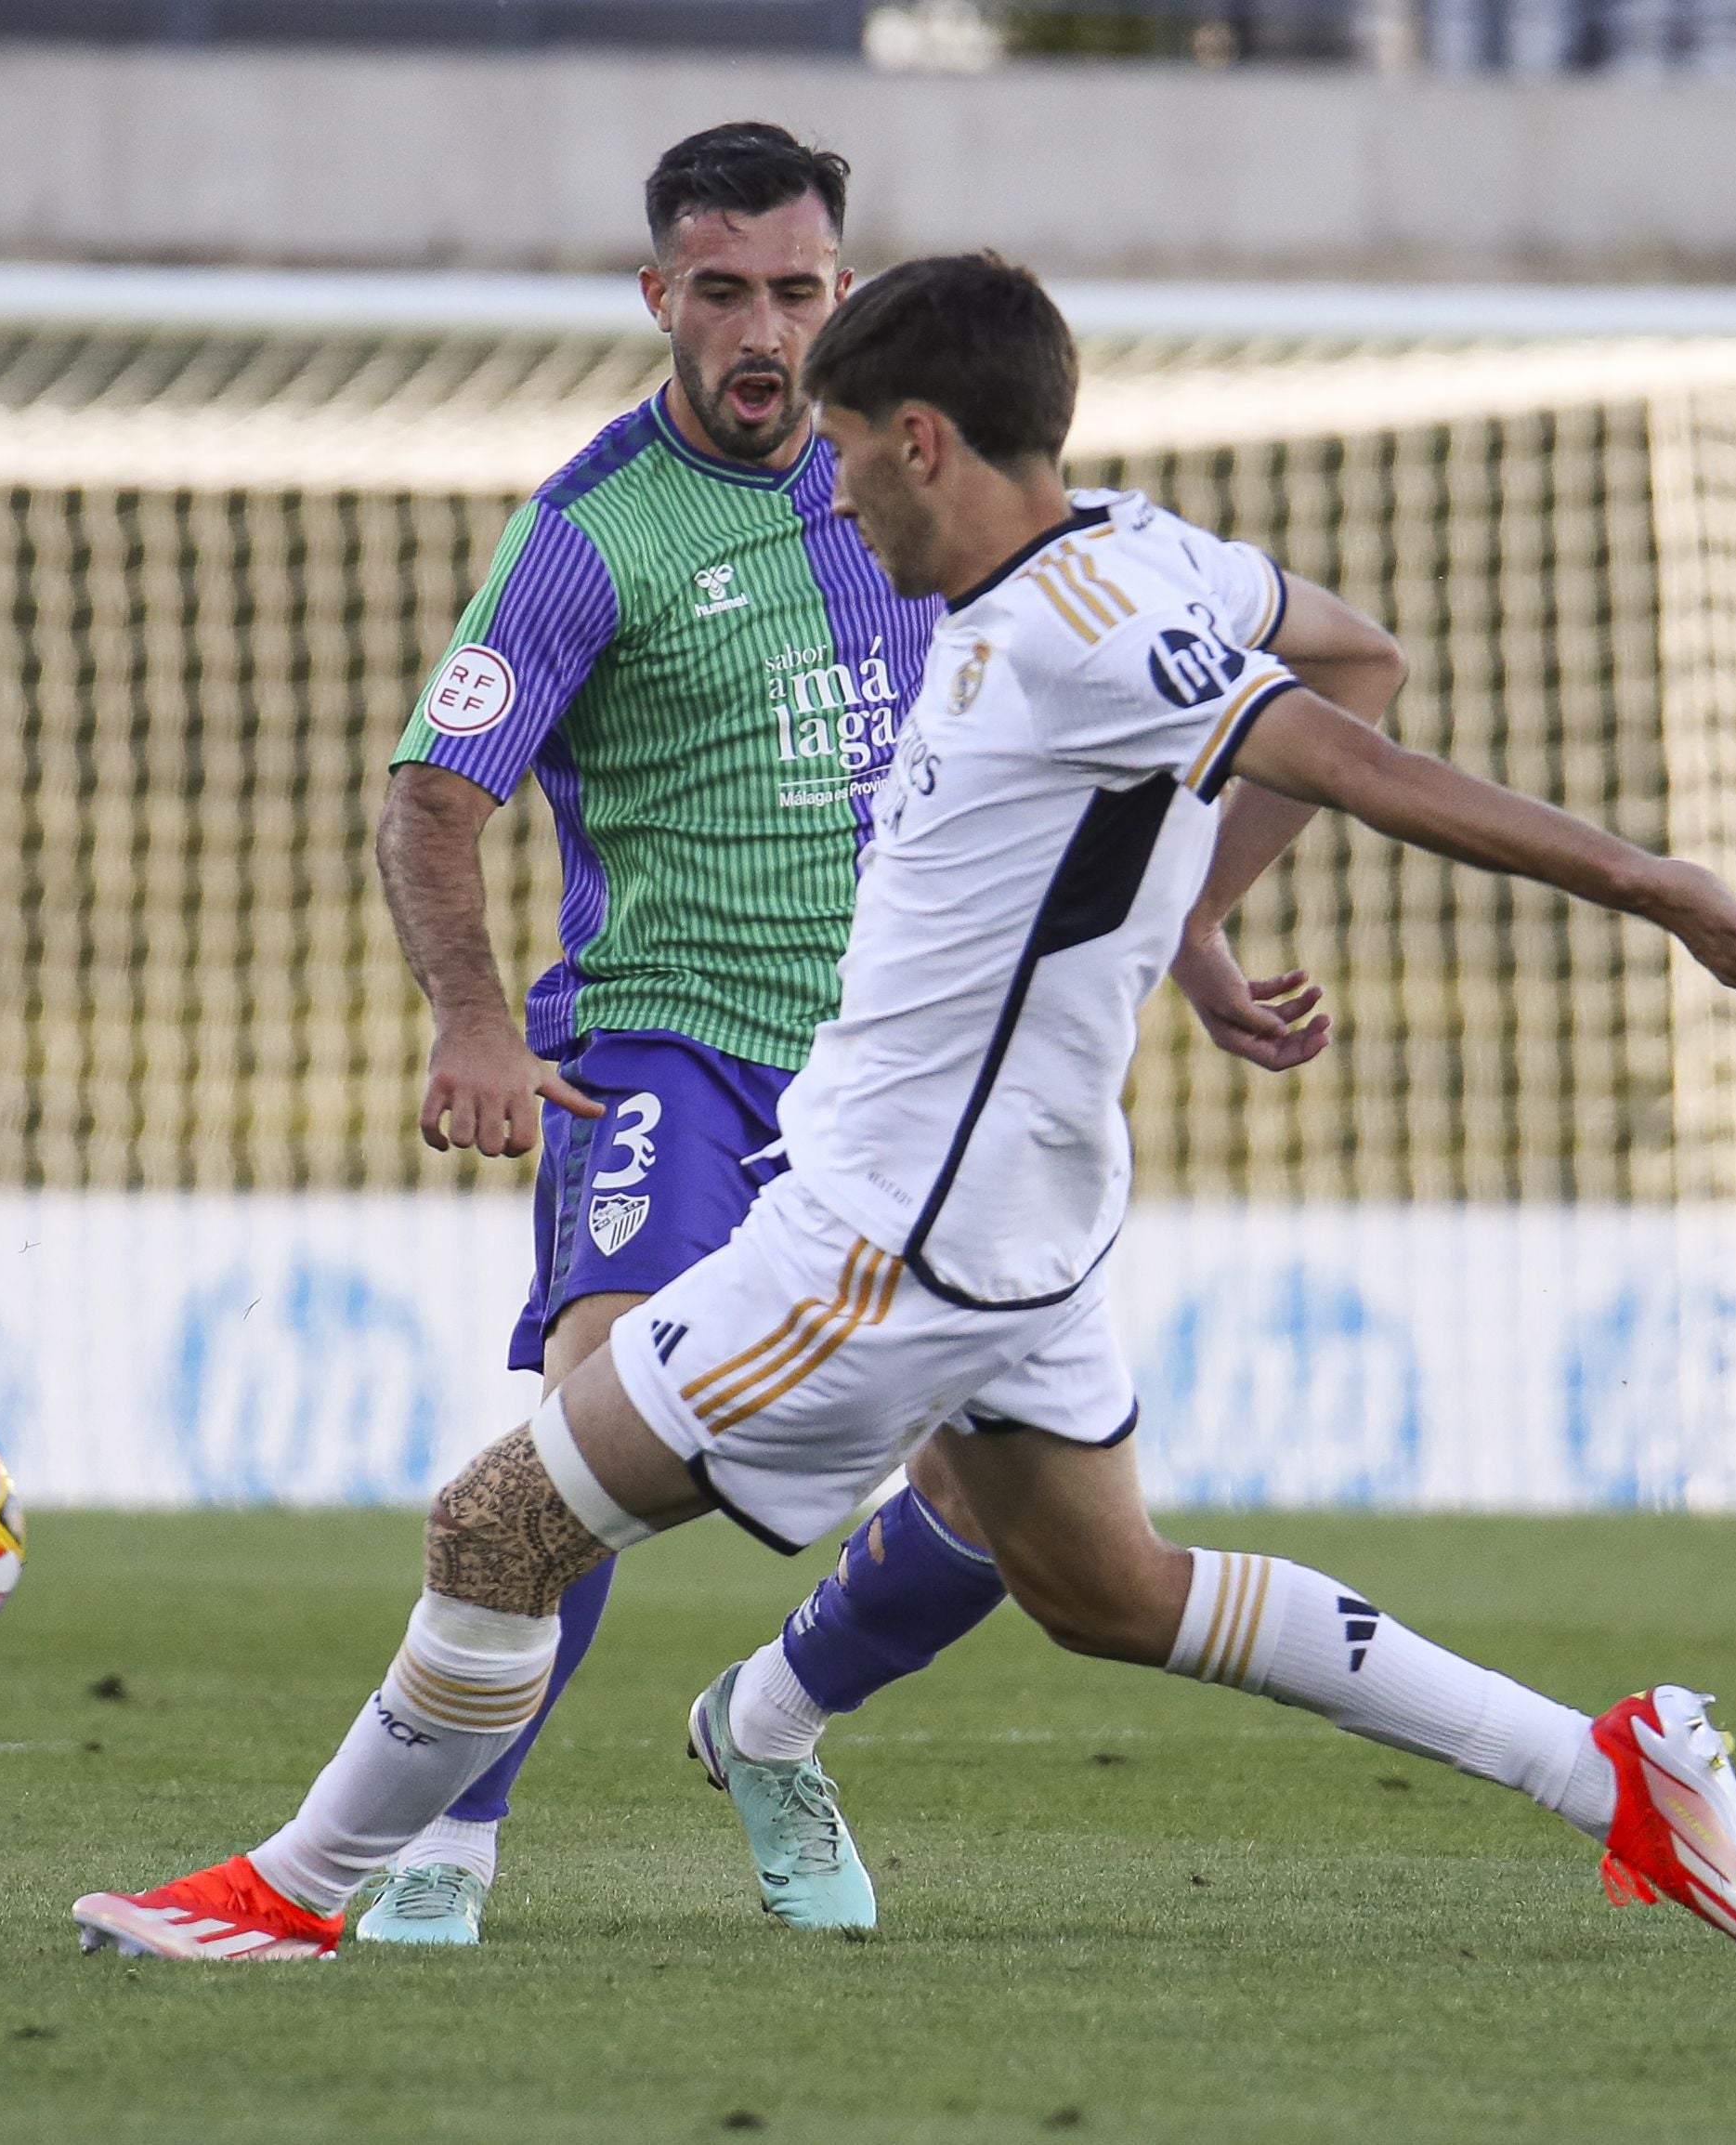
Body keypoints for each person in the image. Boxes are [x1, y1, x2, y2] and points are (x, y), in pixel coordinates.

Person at [74, 254, 1736, 1968]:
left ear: (922, 437)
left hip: (885, 1242)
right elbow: (1359, 652)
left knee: (497, 1523)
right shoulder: (1150, 549)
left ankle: (299, 1889)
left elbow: (1354, 750)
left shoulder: (1077, 633)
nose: (832, 502)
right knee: (1115, 1594)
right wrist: (1190, 916)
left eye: (847, 455)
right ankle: (1610, 1771)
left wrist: (1657, 884)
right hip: (1031, 1226)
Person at [358, 124, 1379, 1946]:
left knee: (1005, 1514)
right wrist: (470, 1023)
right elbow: (438, 795)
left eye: (797, 289)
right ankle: (446, 1839)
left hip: (915, 1085)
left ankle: (775, 1726)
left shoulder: (917, 483)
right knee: (590, 1427)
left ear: (846, 290)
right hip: (667, 1046)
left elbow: (1145, 736)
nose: (763, 328)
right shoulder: (590, 531)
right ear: (659, 296)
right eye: (724, 290)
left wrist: (1195, 931)